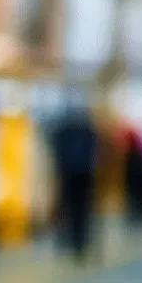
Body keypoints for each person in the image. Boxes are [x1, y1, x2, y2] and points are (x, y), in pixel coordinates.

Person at [49, 107, 99, 262]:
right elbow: (94, 151)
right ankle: (80, 241)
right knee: (82, 209)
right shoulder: (87, 131)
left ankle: (70, 239)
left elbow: (56, 151)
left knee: (68, 207)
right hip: (84, 175)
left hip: (68, 174)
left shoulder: (62, 132)